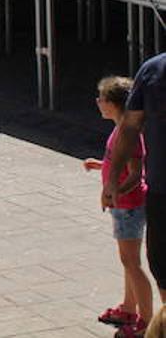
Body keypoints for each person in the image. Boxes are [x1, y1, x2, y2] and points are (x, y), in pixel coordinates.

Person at [87, 76, 153, 337]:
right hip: (124, 206)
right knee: (128, 261)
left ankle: (146, 320)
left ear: (113, 104)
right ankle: (129, 306)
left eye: (101, 98)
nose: (97, 102)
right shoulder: (121, 129)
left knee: (131, 262)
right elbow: (119, 165)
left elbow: (137, 174)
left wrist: (115, 194)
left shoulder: (129, 133)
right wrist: (100, 165)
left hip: (128, 206)